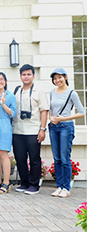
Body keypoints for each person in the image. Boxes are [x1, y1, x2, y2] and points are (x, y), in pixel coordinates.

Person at [12, 64, 49, 195]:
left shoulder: (39, 91)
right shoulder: (16, 90)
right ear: (20, 76)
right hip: (17, 130)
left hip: (33, 130)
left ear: (33, 76)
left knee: (34, 159)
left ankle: (34, 185)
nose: (26, 77)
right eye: (23, 74)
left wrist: (42, 129)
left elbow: (44, 111)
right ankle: (24, 183)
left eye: (28, 74)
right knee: (20, 159)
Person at [48, 68, 85, 198]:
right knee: (57, 158)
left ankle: (66, 188)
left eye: (60, 77)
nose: (57, 80)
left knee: (64, 158)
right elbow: (51, 109)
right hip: (53, 127)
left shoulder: (72, 93)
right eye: (55, 78)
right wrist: (51, 117)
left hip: (66, 127)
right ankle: (59, 186)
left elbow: (82, 112)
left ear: (65, 77)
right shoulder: (52, 92)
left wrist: (63, 118)